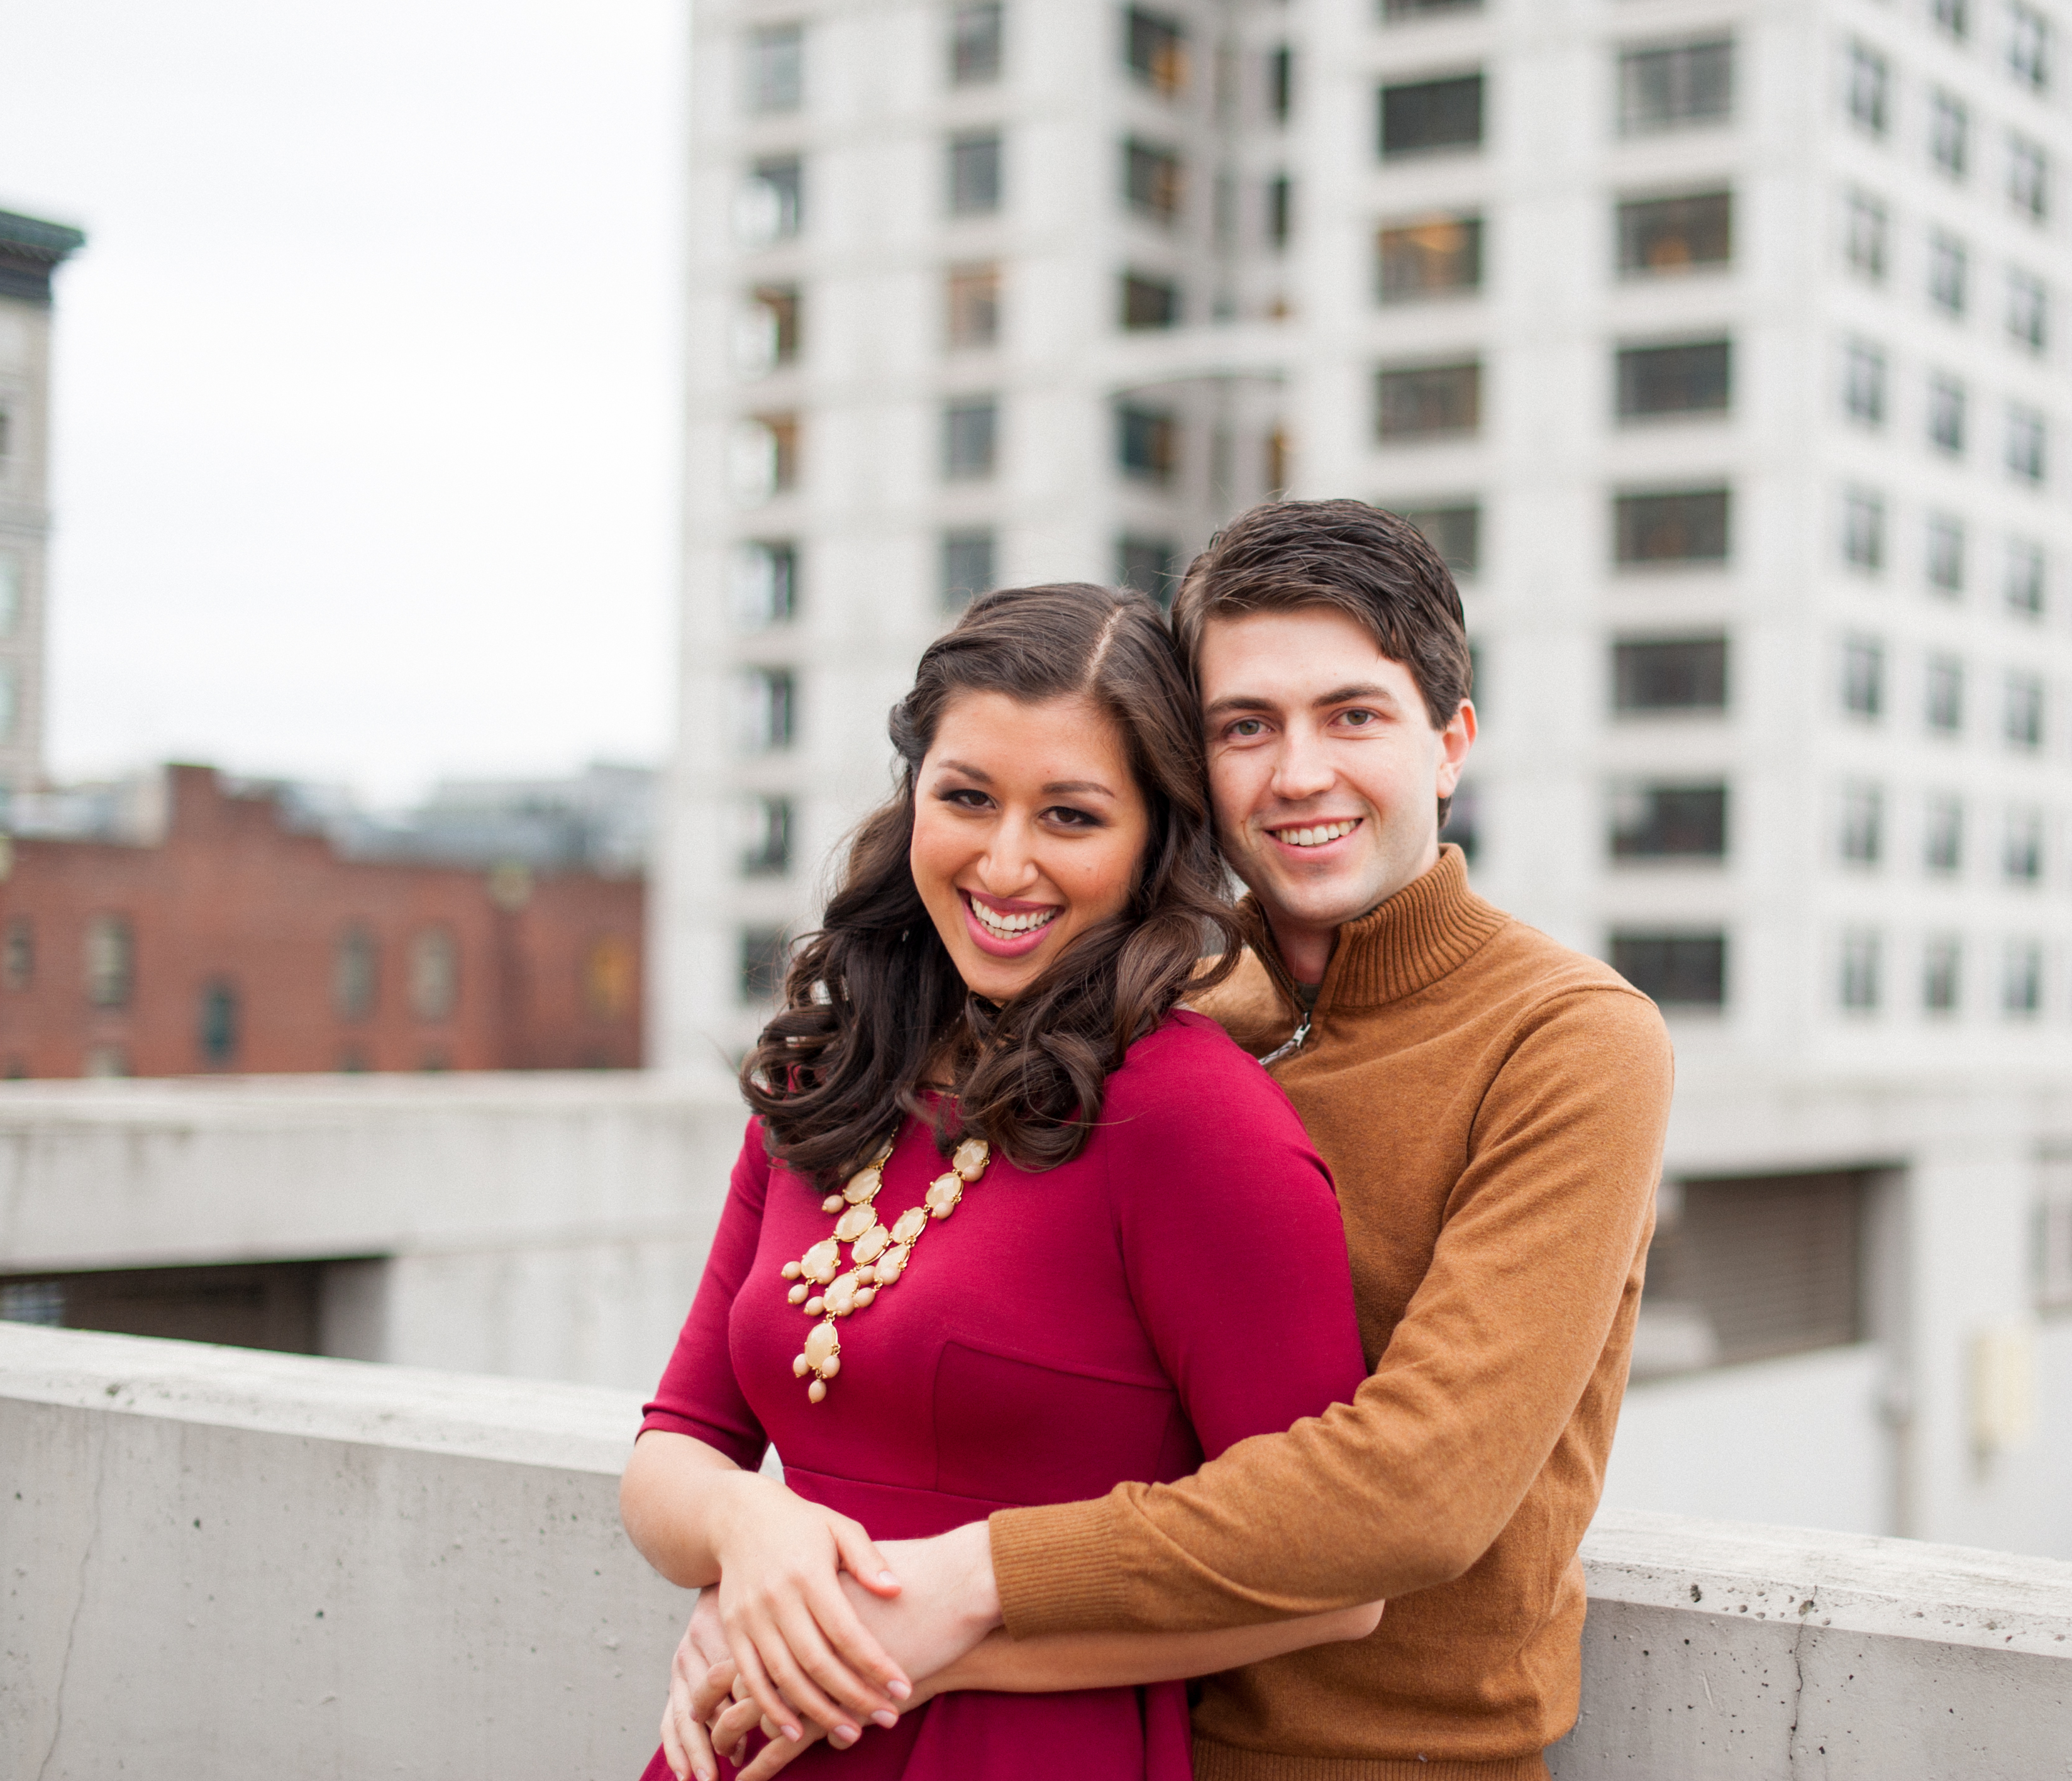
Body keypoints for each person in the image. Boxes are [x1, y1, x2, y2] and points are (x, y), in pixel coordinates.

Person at [679, 500, 1676, 1781]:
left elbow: (1416, 1490)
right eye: (1244, 728)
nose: (1298, 772)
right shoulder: (1158, 1034)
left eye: (1352, 716)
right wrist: (766, 1594)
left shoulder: (1570, 1040)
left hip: (1379, 1765)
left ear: (1449, 742)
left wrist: (938, 1609)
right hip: (1110, 1738)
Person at [622, 580, 1386, 1781]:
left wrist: (947, 1646)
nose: (1007, 862)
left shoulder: (1196, 1121)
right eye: (967, 797)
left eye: (1072, 817)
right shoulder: (834, 1073)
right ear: (913, 796)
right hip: (747, 1742)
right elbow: (673, 1452)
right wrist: (751, 1530)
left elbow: (1337, 1586)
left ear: (1153, 843)